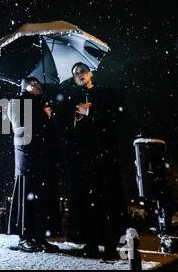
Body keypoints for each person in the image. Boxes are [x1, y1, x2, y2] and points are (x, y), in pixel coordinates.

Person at [58, 62, 127, 259]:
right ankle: (91, 242)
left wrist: (92, 112)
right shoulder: (73, 98)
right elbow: (68, 128)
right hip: (83, 158)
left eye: (81, 71)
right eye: (75, 73)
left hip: (104, 156)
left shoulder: (106, 93)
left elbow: (115, 120)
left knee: (107, 198)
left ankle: (111, 243)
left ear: (90, 74)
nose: (78, 75)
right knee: (88, 200)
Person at [7, 77, 61, 253]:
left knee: (41, 197)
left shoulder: (41, 104)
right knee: (27, 193)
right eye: (32, 83)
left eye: (38, 83)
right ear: (24, 86)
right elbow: (20, 125)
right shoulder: (16, 101)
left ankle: (39, 236)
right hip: (27, 154)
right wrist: (41, 114)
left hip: (42, 157)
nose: (37, 85)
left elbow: (47, 131)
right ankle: (24, 237)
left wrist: (48, 117)